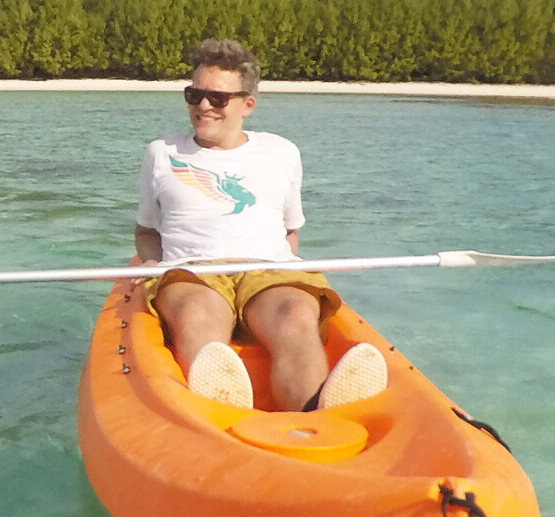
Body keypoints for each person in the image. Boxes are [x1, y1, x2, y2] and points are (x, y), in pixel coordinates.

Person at [131, 39, 385, 411]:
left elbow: (290, 232)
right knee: (197, 314)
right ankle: (221, 415)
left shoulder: (282, 152)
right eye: (193, 94)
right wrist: (153, 263)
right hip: (194, 272)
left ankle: (312, 416)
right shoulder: (162, 153)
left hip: (266, 268)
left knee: (296, 315)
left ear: (247, 104)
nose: (203, 106)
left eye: (217, 99)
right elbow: (146, 232)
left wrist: (279, 277)